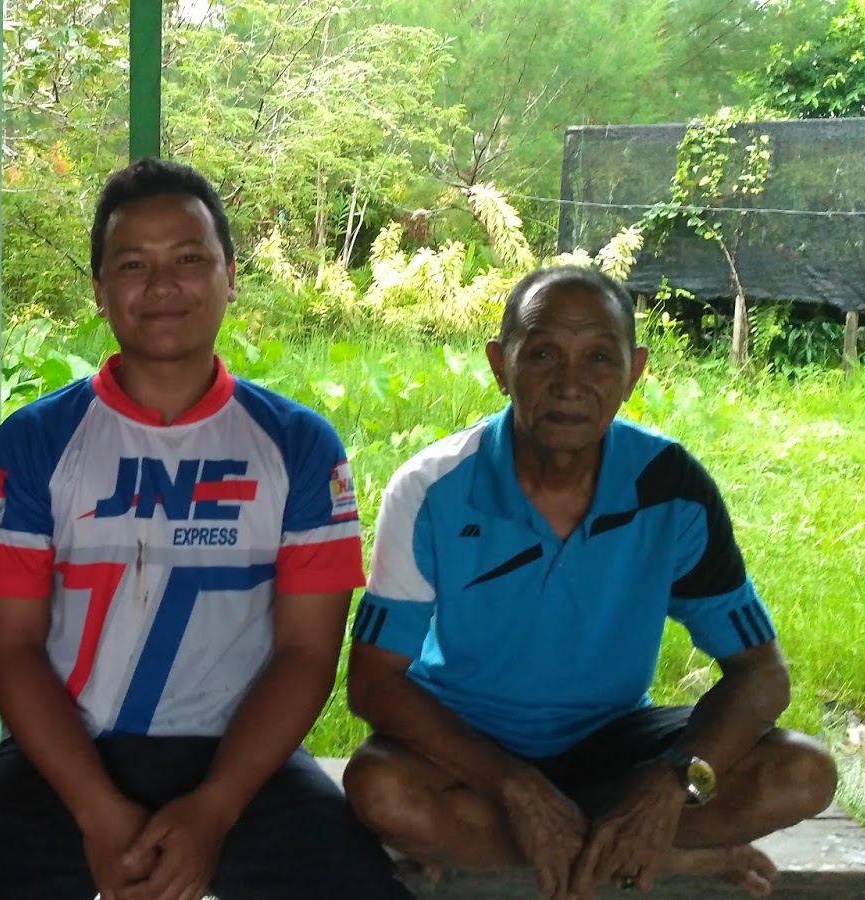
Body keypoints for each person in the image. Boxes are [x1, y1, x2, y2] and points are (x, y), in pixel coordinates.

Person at [0, 158, 414, 900]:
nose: (163, 285)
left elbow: (307, 652)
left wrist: (215, 810)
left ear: (230, 277)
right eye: (133, 264)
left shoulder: (299, 445)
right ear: (99, 290)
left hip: (242, 765)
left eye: (189, 259)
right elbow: (9, 649)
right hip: (68, 760)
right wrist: (97, 811)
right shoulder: (34, 442)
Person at [341, 265, 838, 899]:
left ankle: (513, 844)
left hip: (615, 740)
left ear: (634, 372)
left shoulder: (670, 487)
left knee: (802, 772)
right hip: (471, 742)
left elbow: (761, 674)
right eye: (542, 353)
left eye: (599, 357)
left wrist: (672, 781)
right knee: (380, 788)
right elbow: (374, 683)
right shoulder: (430, 487)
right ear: (499, 365)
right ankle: (665, 857)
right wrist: (515, 787)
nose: (570, 383)